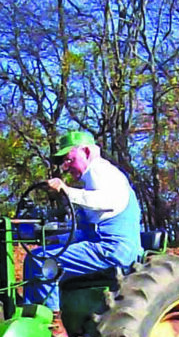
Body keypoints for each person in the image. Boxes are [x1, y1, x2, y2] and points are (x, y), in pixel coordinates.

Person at [21, 129, 143, 314]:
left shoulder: (102, 171)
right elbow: (88, 231)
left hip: (113, 249)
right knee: (39, 254)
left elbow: (105, 201)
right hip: (104, 244)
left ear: (86, 152)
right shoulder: (93, 179)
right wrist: (55, 238)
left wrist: (66, 190)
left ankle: (45, 318)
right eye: (64, 163)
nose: (65, 167)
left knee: (41, 261)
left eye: (69, 160)